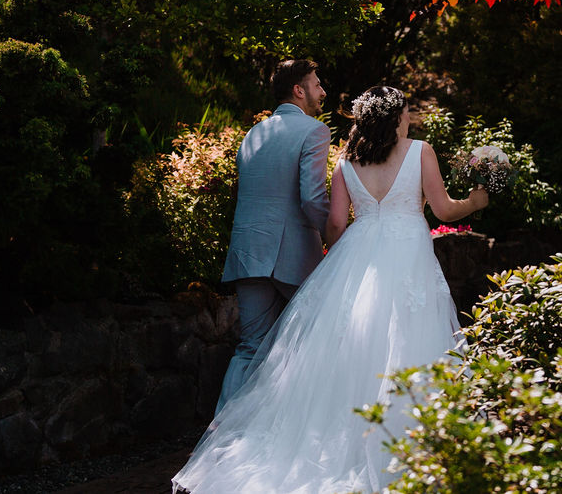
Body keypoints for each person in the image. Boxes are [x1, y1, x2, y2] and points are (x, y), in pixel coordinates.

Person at [172, 86, 488, 494]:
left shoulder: (347, 161)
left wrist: (346, 261)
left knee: (342, 353)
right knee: (409, 341)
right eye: (407, 111)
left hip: (357, 251)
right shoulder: (420, 150)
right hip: (407, 251)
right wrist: (475, 203)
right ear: (396, 116)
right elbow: (444, 210)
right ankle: (416, 451)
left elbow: (336, 224)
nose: (410, 117)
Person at [216, 59, 331, 410]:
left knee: (250, 348)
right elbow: (312, 198)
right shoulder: (313, 131)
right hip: (293, 254)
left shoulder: (254, 133)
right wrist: (336, 237)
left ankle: (221, 434)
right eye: (316, 84)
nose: (323, 91)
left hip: (248, 250)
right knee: (316, 339)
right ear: (299, 90)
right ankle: (299, 427)